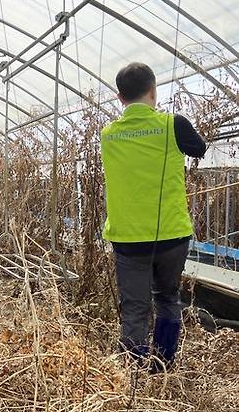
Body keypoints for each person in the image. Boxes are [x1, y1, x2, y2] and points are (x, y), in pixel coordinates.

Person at [101, 62, 206, 372]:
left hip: (129, 238)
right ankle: (162, 366)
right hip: (171, 235)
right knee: (167, 299)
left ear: (120, 98)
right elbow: (198, 149)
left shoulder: (108, 135)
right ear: (154, 90)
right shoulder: (173, 125)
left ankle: (133, 373)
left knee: (134, 308)